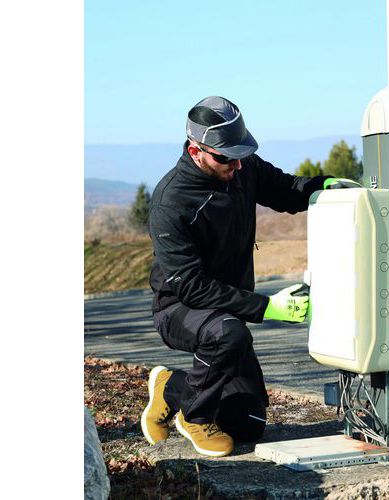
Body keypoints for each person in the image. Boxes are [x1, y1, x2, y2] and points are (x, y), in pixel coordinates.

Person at [141, 96, 358, 457]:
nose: (237, 164)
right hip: (179, 307)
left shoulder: (242, 168)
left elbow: (286, 190)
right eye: (226, 158)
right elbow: (191, 286)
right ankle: (194, 417)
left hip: (227, 311)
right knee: (228, 333)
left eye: (241, 154)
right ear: (196, 152)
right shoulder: (171, 203)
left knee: (248, 424)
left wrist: (326, 186)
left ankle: (171, 387)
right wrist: (268, 306)